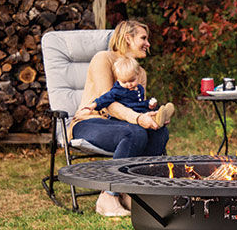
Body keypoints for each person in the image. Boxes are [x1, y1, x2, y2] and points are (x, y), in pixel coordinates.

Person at [70, 20, 170, 217]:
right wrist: (139, 119)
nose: (148, 44)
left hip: (123, 126)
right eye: (143, 38)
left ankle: (133, 191)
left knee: (159, 131)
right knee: (135, 131)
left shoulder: (140, 73)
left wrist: (150, 115)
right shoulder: (103, 59)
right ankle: (108, 196)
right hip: (90, 122)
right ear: (127, 38)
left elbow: (136, 107)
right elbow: (108, 102)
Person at [81, 56, 175, 127]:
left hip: (138, 109)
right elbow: (105, 98)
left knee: (152, 109)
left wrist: (149, 104)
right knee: (148, 117)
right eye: (124, 82)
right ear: (118, 79)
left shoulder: (139, 88)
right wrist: (93, 105)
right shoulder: (118, 90)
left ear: (137, 75)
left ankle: (162, 115)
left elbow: (140, 103)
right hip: (125, 118)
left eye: (131, 80)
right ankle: (158, 117)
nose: (128, 84)